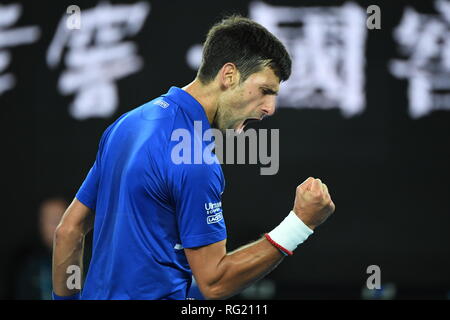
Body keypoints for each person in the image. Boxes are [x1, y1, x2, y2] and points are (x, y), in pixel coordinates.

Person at [52, 15, 335, 300]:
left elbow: (68, 231)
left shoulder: (126, 124)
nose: (270, 108)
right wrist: (300, 224)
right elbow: (215, 283)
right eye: (265, 91)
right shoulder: (195, 160)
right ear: (228, 75)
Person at [14, 198, 67, 300]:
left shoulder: (86, 261)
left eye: (62, 220)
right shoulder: (28, 264)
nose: (58, 227)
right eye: (53, 221)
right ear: (41, 224)